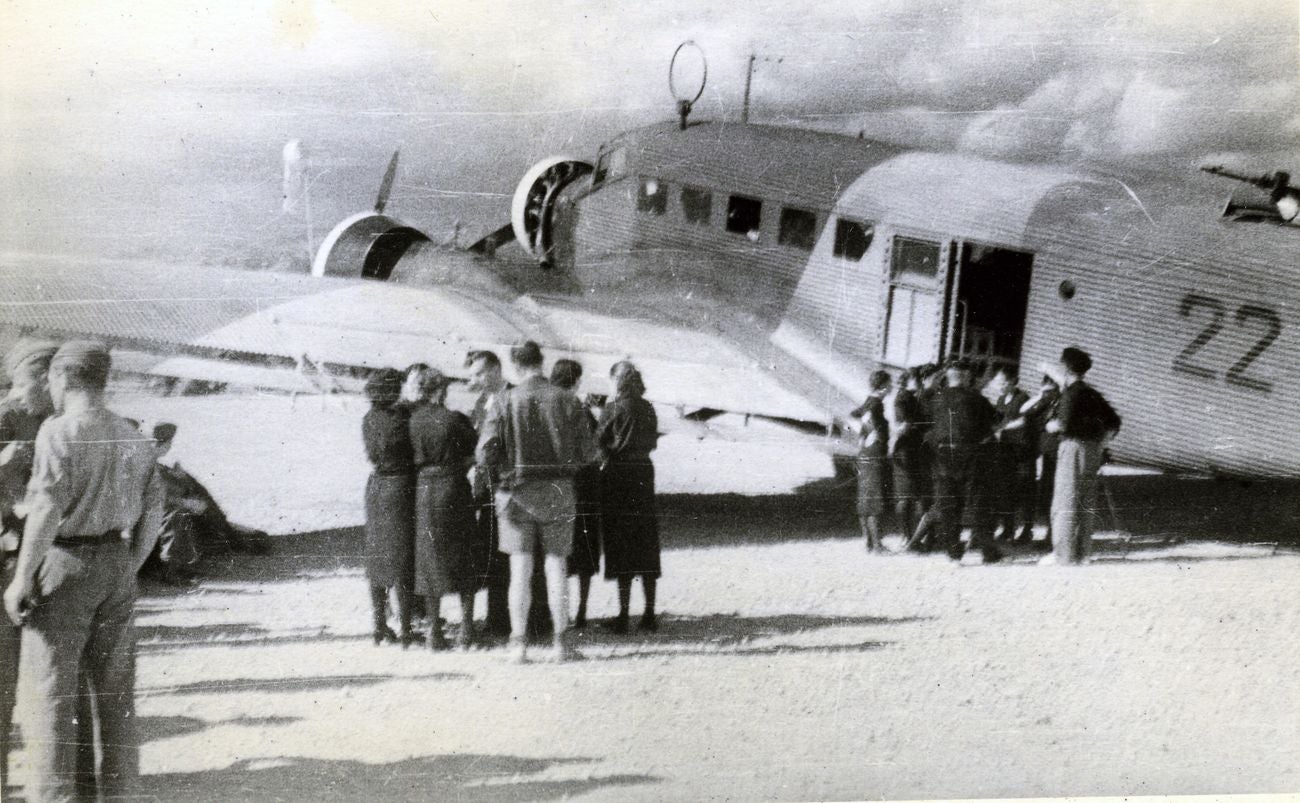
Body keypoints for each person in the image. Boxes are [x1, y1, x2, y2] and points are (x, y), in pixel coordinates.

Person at [3, 341, 164, 802]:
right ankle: (120, 794)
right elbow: (153, 511)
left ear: (62, 379)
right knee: (116, 695)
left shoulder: (58, 431)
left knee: (50, 694)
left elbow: (48, 509)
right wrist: (128, 565)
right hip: (116, 561)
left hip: (65, 563)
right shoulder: (132, 435)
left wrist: (20, 578)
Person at [477, 341, 595, 663]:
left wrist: (504, 472)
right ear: (542, 362)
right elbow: (589, 452)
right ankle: (562, 643)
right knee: (557, 566)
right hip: (558, 491)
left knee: (520, 571)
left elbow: (484, 452)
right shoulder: (567, 400)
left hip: (516, 495)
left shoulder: (503, 400)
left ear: (515, 365)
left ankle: (519, 645)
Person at [0, 338, 58, 792]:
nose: (24, 397)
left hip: (43, 559)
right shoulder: (6, 416)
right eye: (22, 388)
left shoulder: (56, 421)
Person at [140, 422, 272, 585]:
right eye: (162, 443)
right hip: (145, 530)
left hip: (159, 529)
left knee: (190, 487)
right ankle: (174, 570)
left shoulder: (156, 466)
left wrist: (184, 481)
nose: (166, 446)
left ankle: (230, 535)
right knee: (177, 513)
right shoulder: (138, 467)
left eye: (164, 442)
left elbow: (185, 494)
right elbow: (149, 500)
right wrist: (185, 502)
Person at [407, 366, 482, 651]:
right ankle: (466, 631)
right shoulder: (455, 419)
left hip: (425, 489)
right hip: (453, 487)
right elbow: (475, 452)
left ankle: (434, 633)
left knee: (429, 559)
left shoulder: (412, 421)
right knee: (464, 555)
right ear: (440, 391)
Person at [597, 364, 662, 632]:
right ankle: (649, 614)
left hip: (618, 475)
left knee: (621, 543)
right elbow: (653, 441)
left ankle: (623, 615)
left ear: (618, 381)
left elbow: (598, 441)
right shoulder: (648, 408)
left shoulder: (613, 408)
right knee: (646, 542)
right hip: (643, 474)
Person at [1043, 347, 1121, 565]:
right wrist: (1100, 444)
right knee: (1085, 501)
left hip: (1072, 448)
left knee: (1065, 500)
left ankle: (1063, 556)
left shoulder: (1070, 394)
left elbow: (1063, 424)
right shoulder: (1091, 393)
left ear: (1065, 367)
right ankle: (1082, 553)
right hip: (1092, 450)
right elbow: (1114, 422)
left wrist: (1050, 425)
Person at [360, 369, 419, 646]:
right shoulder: (404, 418)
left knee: (378, 557)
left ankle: (379, 625)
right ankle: (407, 627)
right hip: (401, 488)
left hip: (376, 487)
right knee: (403, 558)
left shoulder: (368, 419)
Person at [927, 358, 1001, 563]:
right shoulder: (976, 399)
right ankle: (988, 551)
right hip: (971, 454)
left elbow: (929, 425)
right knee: (978, 502)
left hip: (943, 456)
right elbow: (996, 423)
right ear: (966, 376)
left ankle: (953, 553)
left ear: (948, 377)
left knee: (948, 505)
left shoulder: (935, 398)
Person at [550, 358, 602, 629]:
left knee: (556, 554)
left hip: (555, 485)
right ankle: (581, 611)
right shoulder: (581, 411)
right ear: (577, 381)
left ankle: (558, 612)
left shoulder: (545, 404)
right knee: (585, 552)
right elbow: (593, 450)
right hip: (583, 487)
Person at [986, 366, 1034, 542]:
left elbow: (1024, 421)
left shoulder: (1023, 399)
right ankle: (1008, 529)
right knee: (1006, 492)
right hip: (1006, 453)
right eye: (998, 382)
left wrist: (1003, 428)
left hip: (1023, 453)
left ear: (1013, 381)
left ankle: (1027, 530)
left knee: (1025, 492)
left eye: (1003, 382)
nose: (1000, 385)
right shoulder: (1000, 400)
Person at [850, 370, 892, 553]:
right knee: (874, 499)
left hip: (864, 453)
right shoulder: (876, 404)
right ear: (883, 386)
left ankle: (868, 542)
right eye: (890, 383)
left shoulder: (869, 400)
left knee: (865, 498)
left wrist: (862, 436)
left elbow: (855, 414)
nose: (892, 386)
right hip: (873, 454)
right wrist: (873, 434)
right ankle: (876, 545)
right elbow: (867, 419)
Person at [890, 367, 930, 548]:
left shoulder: (910, 397)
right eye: (917, 379)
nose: (920, 382)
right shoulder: (903, 399)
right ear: (908, 381)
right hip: (906, 451)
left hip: (912, 450)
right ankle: (906, 536)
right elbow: (902, 426)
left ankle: (910, 536)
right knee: (906, 496)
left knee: (911, 495)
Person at [1020, 374, 1061, 546]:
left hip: (1058, 455)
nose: (1048, 393)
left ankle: (1053, 537)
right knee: (1046, 495)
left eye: (1051, 390)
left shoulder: (1061, 405)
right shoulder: (1045, 405)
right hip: (1046, 456)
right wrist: (1039, 395)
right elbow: (1024, 410)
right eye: (1045, 389)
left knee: (1055, 495)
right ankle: (1049, 536)